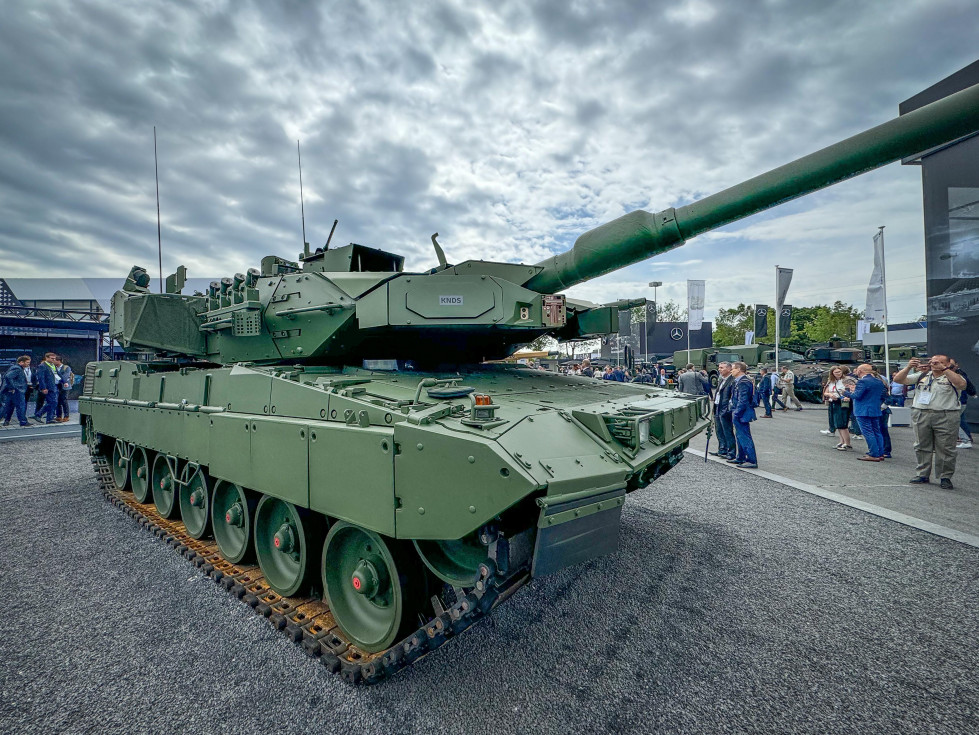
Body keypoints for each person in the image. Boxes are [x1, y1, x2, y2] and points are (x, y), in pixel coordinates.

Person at [893, 355, 966, 489]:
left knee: (946, 448)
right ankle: (922, 473)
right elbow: (898, 379)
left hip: (946, 414)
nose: (934, 364)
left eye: (939, 362)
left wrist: (944, 369)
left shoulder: (952, 376)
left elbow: (962, 384)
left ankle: (945, 476)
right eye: (932, 362)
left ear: (947, 364)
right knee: (921, 444)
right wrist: (909, 367)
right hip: (921, 413)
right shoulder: (923, 375)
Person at [842, 364, 887, 462]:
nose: (856, 372)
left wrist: (845, 393)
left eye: (857, 370)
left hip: (863, 410)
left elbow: (857, 396)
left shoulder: (862, 381)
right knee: (877, 432)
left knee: (868, 432)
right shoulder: (878, 381)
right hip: (875, 409)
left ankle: (873, 454)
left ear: (860, 371)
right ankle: (880, 453)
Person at [728, 362, 758, 468]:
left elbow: (743, 400)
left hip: (742, 413)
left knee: (744, 436)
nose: (731, 371)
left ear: (739, 369)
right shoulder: (739, 381)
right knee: (739, 435)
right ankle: (740, 457)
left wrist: (736, 413)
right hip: (739, 412)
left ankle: (751, 460)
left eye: (733, 369)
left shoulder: (743, 382)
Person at [709, 362, 736, 460]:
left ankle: (731, 452)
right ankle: (722, 449)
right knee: (719, 430)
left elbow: (731, 397)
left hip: (725, 410)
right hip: (718, 407)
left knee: (727, 431)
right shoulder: (721, 380)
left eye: (722, 368)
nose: (719, 369)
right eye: (719, 367)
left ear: (729, 369)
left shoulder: (732, 380)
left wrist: (727, 410)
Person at [823, 367, 852, 450]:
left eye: (839, 372)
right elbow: (825, 392)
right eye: (836, 372)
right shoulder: (831, 381)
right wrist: (829, 395)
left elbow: (851, 390)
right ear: (832, 373)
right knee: (837, 423)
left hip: (843, 402)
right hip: (833, 401)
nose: (838, 373)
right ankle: (841, 441)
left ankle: (847, 443)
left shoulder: (846, 380)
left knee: (842, 424)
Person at [949, 358, 975, 449]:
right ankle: (965, 438)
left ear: (956, 365)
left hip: (959, 401)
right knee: (960, 420)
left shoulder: (959, 375)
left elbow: (967, 385)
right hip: (959, 401)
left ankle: (965, 439)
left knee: (956, 421)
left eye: (952, 365)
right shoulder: (960, 374)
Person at [1, 355, 33, 427]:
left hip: (13, 391)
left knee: (8, 406)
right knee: (20, 406)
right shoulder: (17, 369)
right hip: (17, 391)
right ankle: (23, 421)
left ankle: (10, 421)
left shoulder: (15, 367)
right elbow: (8, 376)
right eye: (27, 362)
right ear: (21, 362)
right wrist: (13, 387)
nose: (28, 364)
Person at [35, 352, 60, 425]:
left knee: (54, 403)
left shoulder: (53, 365)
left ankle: (49, 418)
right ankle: (39, 414)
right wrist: (43, 388)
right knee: (52, 402)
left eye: (54, 359)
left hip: (54, 386)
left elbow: (58, 374)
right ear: (47, 358)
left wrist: (64, 381)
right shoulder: (42, 366)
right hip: (48, 387)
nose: (54, 360)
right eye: (52, 358)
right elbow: (41, 378)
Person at [53, 355, 73, 422]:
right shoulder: (54, 367)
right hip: (57, 386)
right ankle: (58, 416)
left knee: (64, 401)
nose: (53, 361)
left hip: (65, 386)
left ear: (59, 361)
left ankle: (66, 416)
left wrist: (62, 381)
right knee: (58, 401)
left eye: (54, 360)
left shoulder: (66, 368)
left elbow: (65, 376)